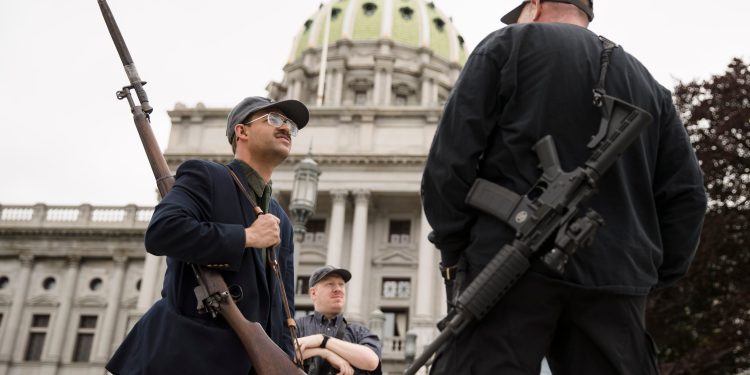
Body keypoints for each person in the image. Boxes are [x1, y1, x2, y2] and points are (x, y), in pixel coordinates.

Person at [420, 1, 707, 374]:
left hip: (507, 269)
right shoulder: (650, 87)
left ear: (535, 6)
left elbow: (449, 164)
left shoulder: (507, 44)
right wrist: (647, 274)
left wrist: (456, 250)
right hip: (614, 285)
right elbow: (688, 198)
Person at [106, 96, 309, 374]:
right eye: (274, 119)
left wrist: (286, 362)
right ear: (242, 131)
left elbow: (282, 305)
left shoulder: (280, 218)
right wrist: (245, 237)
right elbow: (162, 232)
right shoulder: (207, 176)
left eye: (290, 125)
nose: (286, 127)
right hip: (187, 358)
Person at [295, 265, 382, 375]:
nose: (338, 289)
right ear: (313, 293)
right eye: (330, 284)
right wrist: (324, 353)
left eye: (341, 284)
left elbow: (371, 361)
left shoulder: (359, 331)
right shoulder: (297, 326)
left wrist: (323, 340)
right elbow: (283, 354)